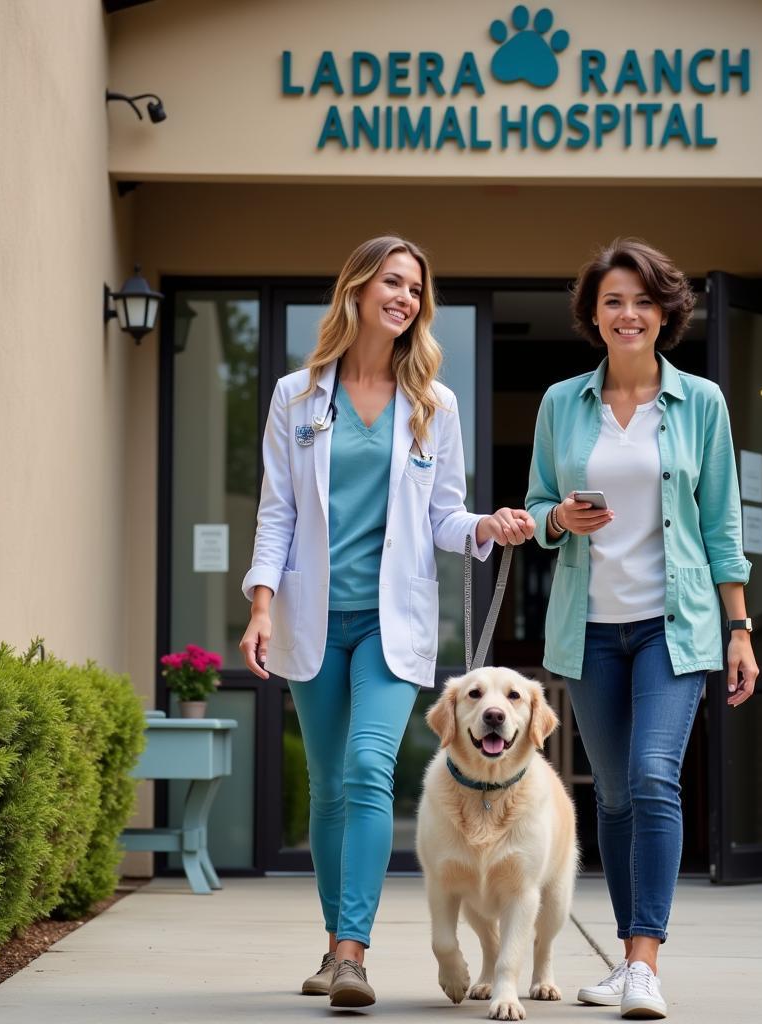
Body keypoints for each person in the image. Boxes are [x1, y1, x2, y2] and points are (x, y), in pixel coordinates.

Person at [239, 236, 534, 1009]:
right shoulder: (296, 396)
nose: (404, 297)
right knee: (329, 786)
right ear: (358, 289)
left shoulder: (436, 406)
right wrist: (262, 605)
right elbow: (277, 512)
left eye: (415, 289)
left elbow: (444, 516)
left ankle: (351, 954)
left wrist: (484, 528)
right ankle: (336, 938)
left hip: (389, 622)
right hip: (312, 617)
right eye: (392, 282)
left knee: (369, 769)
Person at [525, 238, 758, 1020]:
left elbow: (721, 524)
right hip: (589, 629)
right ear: (594, 314)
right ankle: (627, 959)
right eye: (614, 301)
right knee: (617, 796)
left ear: (665, 314)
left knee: (656, 777)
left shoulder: (702, 404)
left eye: (643, 301)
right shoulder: (562, 403)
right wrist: (558, 516)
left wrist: (739, 629)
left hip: (674, 627)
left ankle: (643, 962)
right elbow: (532, 509)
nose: (629, 313)